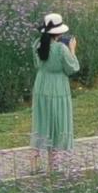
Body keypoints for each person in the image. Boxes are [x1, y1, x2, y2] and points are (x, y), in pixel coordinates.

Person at [31, 12, 80, 172]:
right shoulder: (61, 49)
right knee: (56, 121)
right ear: (59, 32)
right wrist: (72, 50)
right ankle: (53, 164)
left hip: (41, 85)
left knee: (42, 120)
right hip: (57, 86)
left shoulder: (38, 44)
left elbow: (38, 65)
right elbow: (72, 68)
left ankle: (34, 160)